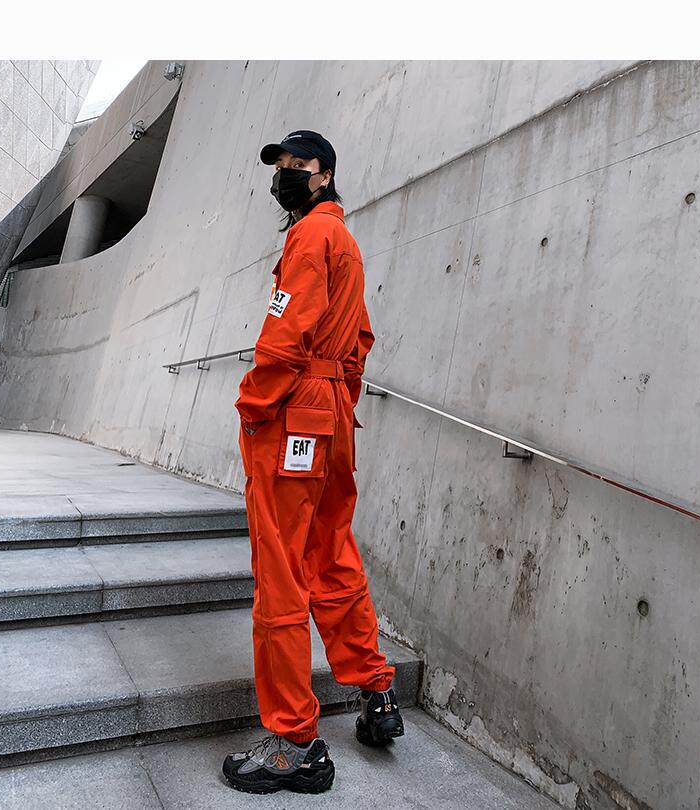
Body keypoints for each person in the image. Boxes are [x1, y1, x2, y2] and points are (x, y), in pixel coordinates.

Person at [223, 130, 404, 795]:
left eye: (297, 166)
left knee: (280, 574)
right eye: (281, 166)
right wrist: (337, 403)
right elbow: (359, 339)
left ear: (324, 175)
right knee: (331, 555)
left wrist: (254, 406)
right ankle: (377, 692)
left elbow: (286, 332)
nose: (286, 176)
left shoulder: (308, 237)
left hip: (295, 408)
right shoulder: (345, 241)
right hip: (330, 415)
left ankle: (295, 743)